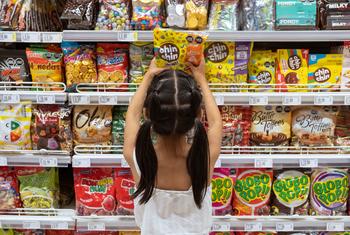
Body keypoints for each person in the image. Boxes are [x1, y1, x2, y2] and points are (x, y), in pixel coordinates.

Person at [123, 57, 222, 235]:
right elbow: (216, 124)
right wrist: (201, 78)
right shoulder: (204, 159)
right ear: (199, 115)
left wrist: (148, 76)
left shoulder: (138, 157)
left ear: (148, 114)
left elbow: (131, 115)